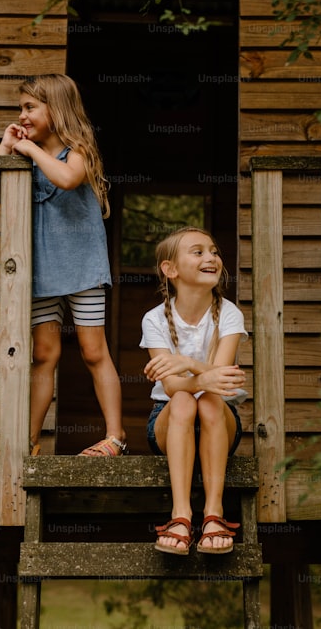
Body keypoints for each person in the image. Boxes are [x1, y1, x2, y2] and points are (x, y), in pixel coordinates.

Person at [0, 73, 125, 457]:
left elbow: (66, 178)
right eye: (21, 108)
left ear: (56, 109)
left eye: (30, 107)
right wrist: (5, 147)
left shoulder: (77, 149)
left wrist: (30, 152)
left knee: (94, 351)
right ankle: (29, 442)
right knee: (44, 355)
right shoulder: (25, 156)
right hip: (42, 272)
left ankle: (115, 436)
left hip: (82, 270)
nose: (23, 115)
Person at [140, 227, 248, 555]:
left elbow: (225, 378)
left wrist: (186, 361)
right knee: (185, 399)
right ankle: (181, 515)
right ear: (170, 270)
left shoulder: (229, 314)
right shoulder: (155, 319)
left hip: (219, 420)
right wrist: (202, 379)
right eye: (198, 252)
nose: (211, 257)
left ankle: (214, 513)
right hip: (170, 418)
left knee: (212, 402)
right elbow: (171, 387)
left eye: (213, 251)